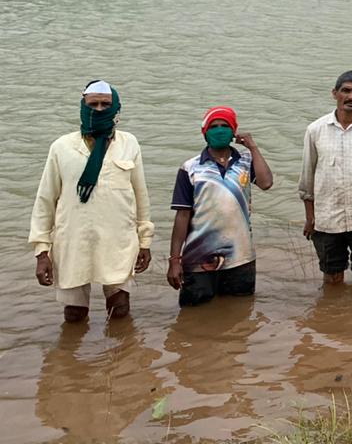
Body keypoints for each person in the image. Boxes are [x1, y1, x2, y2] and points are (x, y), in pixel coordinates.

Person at [30, 81, 153, 322]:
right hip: (73, 240)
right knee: (74, 314)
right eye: (93, 103)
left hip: (118, 239)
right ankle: (72, 358)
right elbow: (45, 200)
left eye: (105, 104)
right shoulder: (62, 147)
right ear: (83, 105)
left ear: (116, 108)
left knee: (120, 308)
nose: (99, 109)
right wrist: (42, 252)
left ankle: (122, 356)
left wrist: (145, 240)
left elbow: (141, 196)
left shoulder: (129, 144)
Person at [167, 107, 274, 306]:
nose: (219, 130)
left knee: (239, 314)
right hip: (199, 258)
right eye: (213, 126)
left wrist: (253, 148)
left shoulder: (245, 161)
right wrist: (175, 259)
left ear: (234, 130)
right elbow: (182, 215)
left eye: (225, 126)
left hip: (241, 257)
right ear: (204, 132)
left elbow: (266, 183)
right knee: (194, 318)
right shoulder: (190, 168)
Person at [298, 70, 352, 284]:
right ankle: (334, 316)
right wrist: (310, 217)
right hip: (327, 218)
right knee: (332, 277)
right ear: (335, 93)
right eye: (346, 90)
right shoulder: (315, 130)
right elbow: (307, 177)